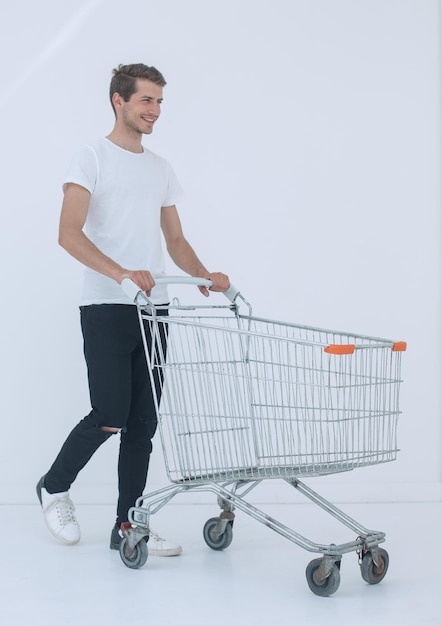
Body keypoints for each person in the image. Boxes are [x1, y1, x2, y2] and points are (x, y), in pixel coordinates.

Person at [36, 63, 230, 556]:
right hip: (106, 304)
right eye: (147, 100)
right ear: (118, 101)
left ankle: (130, 525)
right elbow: (68, 234)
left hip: (154, 311)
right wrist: (121, 273)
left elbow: (176, 239)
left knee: (143, 422)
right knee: (111, 413)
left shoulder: (159, 167)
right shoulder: (91, 156)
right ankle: (54, 486)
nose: (155, 111)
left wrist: (206, 276)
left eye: (160, 102)